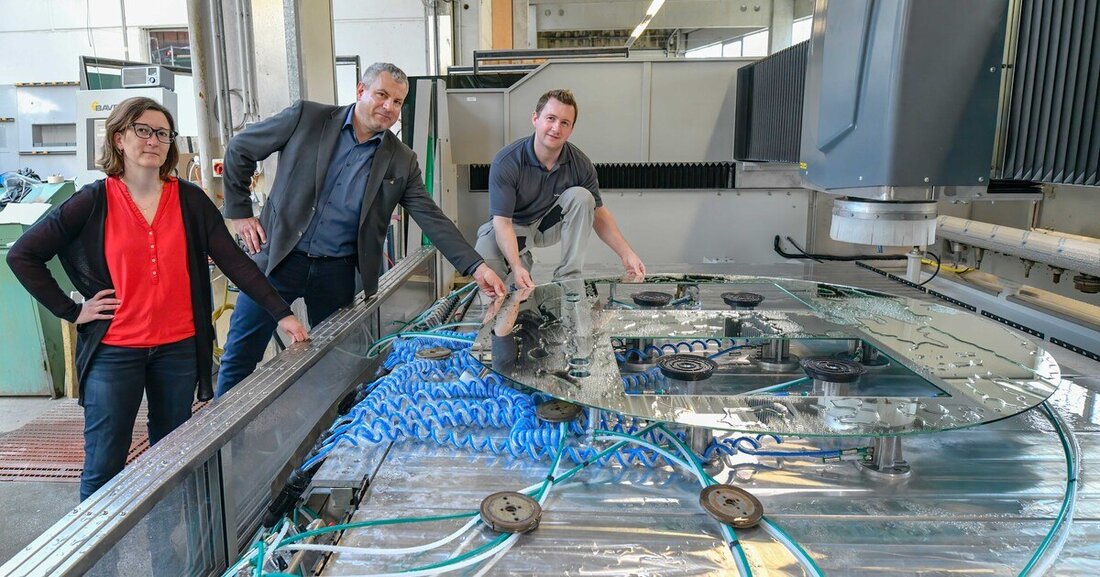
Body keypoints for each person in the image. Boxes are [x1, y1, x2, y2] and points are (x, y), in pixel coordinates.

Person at [6, 97, 308, 501]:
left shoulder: (189, 200)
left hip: (177, 350)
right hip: (115, 350)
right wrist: (73, 311)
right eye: (142, 130)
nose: (154, 140)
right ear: (118, 138)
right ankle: (99, 561)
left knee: (170, 457)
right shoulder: (94, 201)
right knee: (104, 464)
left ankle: (166, 545)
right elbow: (22, 254)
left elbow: (236, 262)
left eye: (163, 133)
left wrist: (281, 314)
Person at [217, 62, 505, 396]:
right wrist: (239, 212)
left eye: (398, 102)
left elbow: (430, 215)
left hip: (336, 271)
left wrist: (476, 265)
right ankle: (219, 446)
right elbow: (241, 150)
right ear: (360, 91)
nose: (389, 107)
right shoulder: (307, 119)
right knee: (240, 354)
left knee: (338, 363)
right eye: (382, 95)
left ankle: (330, 436)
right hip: (279, 258)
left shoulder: (401, 159)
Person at [475, 89, 646, 289]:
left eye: (564, 123)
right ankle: (523, 260)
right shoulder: (507, 161)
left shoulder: (580, 164)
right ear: (535, 119)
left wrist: (627, 253)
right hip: (514, 227)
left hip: (547, 225)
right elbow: (502, 223)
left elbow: (599, 214)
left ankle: (568, 277)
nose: (556, 128)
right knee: (485, 254)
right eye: (550, 118)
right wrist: (516, 265)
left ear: (571, 129)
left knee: (584, 198)